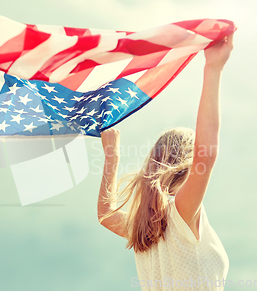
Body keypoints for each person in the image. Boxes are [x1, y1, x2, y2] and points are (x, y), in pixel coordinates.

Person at [97, 32, 235, 290]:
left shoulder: (142, 229)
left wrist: (111, 158)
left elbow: (106, 214)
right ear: (186, 164)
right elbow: (207, 153)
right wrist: (213, 68)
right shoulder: (182, 212)